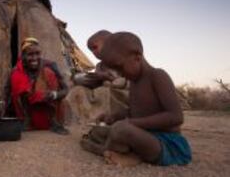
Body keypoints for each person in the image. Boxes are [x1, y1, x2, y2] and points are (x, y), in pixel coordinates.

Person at [80, 32, 192, 166]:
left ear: (137, 57)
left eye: (120, 68)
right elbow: (135, 111)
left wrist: (133, 123)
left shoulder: (158, 76)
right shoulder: (134, 82)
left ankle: (111, 151)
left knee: (121, 130)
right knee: (99, 131)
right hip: (144, 134)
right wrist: (114, 116)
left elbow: (176, 117)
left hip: (165, 143)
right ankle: (124, 152)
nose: (120, 74)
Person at [10, 37, 69, 135]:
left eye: (37, 53)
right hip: (29, 110)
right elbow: (8, 89)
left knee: (47, 73)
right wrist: (2, 102)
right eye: (30, 54)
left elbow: (66, 89)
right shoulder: (18, 69)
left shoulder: (51, 65)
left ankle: (54, 122)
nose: (34, 58)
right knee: (16, 75)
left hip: (48, 107)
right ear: (23, 56)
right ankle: (27, 120)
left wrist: (54, 95)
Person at [74, 30, 129, 113]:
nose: (94, 52)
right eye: (91, 51)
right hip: (102, 89)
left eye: (95, 47)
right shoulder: (100, 65)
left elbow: (130, 81)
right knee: (78, 85)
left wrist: (110, 78)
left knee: (105, 91)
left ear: (110, 44)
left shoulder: (124, 60)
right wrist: (97, 77)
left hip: (120, 91)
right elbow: (95, 82)